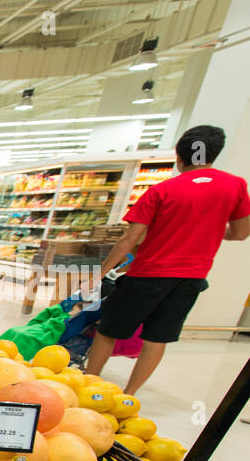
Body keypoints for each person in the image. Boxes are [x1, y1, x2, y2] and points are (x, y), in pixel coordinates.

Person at [85, 124, 250, 394]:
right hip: (191, 278)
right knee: (156, 338)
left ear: (179, 157)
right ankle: (129, 397)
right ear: (215, 154)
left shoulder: (163, 190)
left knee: (108, 331)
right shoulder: (235, 186)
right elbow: (241, 233)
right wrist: (207, 231)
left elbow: (129, 240)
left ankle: (88, 385)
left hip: (147, 275)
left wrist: (100, 273)